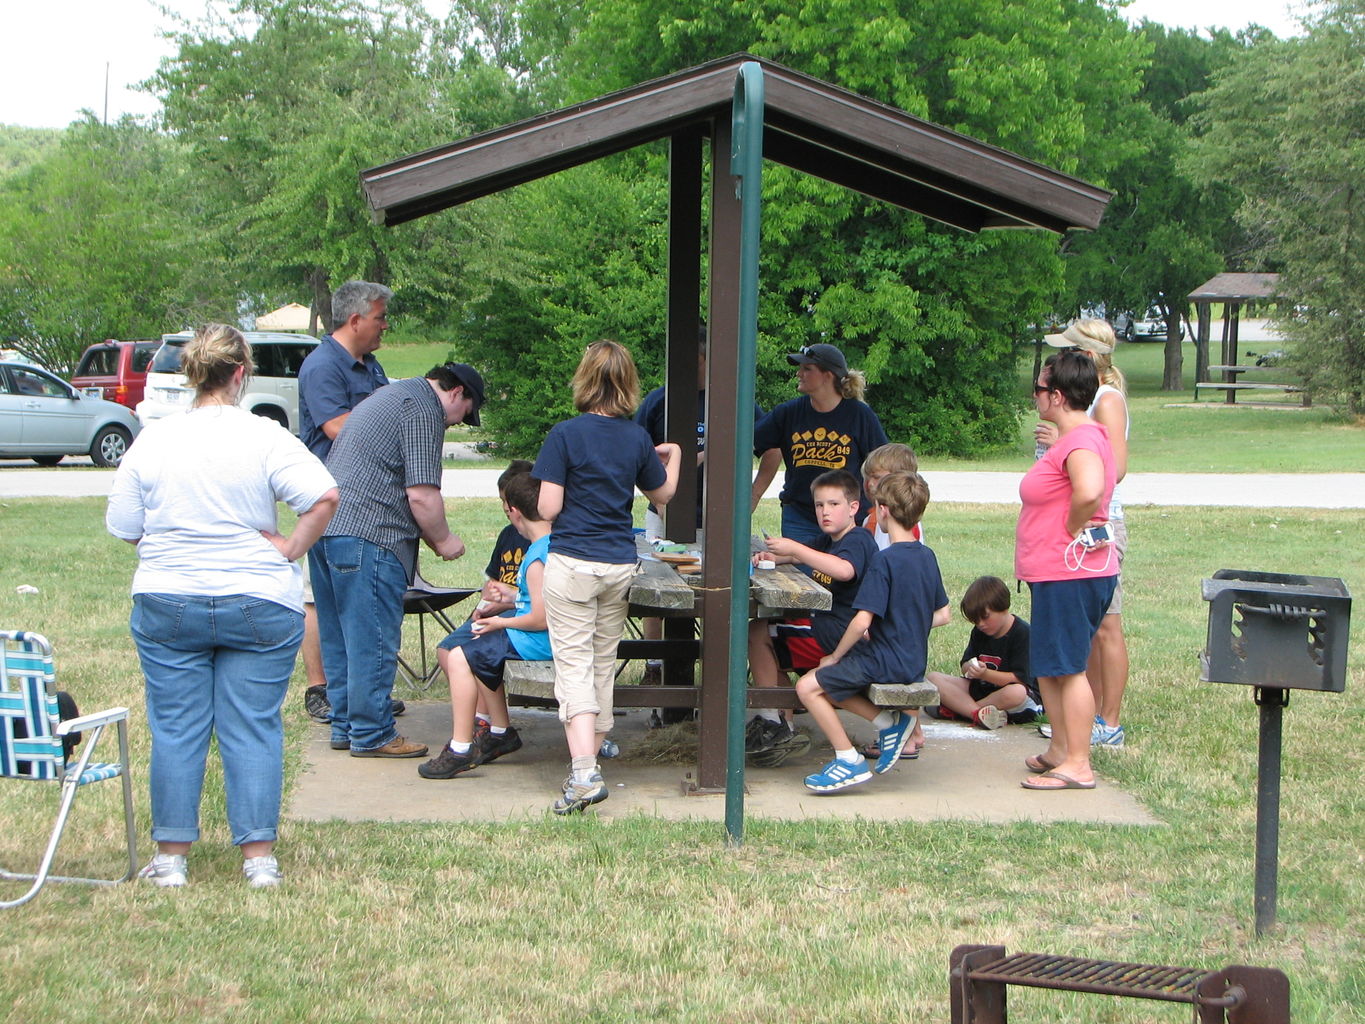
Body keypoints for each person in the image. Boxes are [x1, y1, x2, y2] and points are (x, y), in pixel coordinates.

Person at [106, 324, 339, 888]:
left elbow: (123, 525)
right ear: (241, 373)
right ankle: (258, 860)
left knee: (177, 728)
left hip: (169, 597)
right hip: (257, 597)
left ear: (191, 375)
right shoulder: (265, 435)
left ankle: (171, 860)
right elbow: (324, 495)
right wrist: (289, 547)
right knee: (254, 726)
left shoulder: (154, 439)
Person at [533, 340, 680, 814]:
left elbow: (548, 508)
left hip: (573, 562)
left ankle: (583, 774)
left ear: (585, 378)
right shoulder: (636, 437)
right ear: (627, 384)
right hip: (619, 564)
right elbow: (663, 493)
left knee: (573, 666)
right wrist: (673, 453)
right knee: (601, 662)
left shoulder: (565, 434)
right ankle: (590, 759)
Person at [310, 362, 483, 759]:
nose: (458, 423)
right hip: (369, 535)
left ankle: (345, 725)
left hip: (327, 530)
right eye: (465, 414)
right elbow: (421, 495)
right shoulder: (424, 410)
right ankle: (372, 733)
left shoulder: (391, 395)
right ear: (456, 393)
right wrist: (444, 540)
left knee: (340, 637)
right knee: (372, 638)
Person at [793, 471, 950, 793]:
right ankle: (889, 724)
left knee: (809, 687)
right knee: (835, 680)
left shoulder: (885, 560)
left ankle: (848, 760)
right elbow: (943, 614)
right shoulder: (927, 556)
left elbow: (862, 621)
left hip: (885, 660)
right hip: (912, 661)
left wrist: (834, 656)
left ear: (883, 512)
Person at [1016, 349, 1118, 792]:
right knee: (1052, 665)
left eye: (1038, 389)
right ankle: (1060, 748)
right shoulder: (1075, 437)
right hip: (1059, 573)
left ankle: (1078, 763)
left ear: (1056, 396)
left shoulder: (1080, 441)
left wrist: (1071, 526)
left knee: (1069, 666)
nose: (1034, 397)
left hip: (1069, 574)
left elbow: (1091, 490)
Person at [296, 280, 394, 723]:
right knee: (340, 614)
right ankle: (350, 710)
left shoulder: (370, 366)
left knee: (359, 611)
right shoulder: (321, 367)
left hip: (368, 504)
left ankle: (356, 705)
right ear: (354, 320)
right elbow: (338, 427)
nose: (385, 326)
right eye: (379, 317)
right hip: (333, 506)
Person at [418, 472, 550, 779]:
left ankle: (460, 748)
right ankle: (500, 730)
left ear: (514, 511)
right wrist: (513, 598)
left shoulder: (537, 556)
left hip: (539, 639)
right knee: (479, 648)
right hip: (542, 635)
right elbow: (541, 600)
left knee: (461, 654)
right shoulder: (549, 545)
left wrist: (497, 622)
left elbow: (541, 618)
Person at [1038, 320, 1130, 747]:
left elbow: (1114, 470)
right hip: (1074, 527)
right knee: (1085, 636)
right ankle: (1083, 722)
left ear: (1088, 358)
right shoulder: (1082, 411)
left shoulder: (1107, 400)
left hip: (1093, 527)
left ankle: (1106, 722)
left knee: (1106, 625)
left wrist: (1073, 522)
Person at [746, 469, 878, 759]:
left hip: (841, 636)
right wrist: (775, 556)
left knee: (758, 632)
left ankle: (776, 722)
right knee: (764, 629)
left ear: (854, 507)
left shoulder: (857, 540)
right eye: (819, 505)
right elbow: (798, 555)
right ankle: (782, 721)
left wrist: (796, 549)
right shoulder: (830, 539)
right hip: (826, 629)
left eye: (833, 504)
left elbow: (844, 570)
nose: (825, 512)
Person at [752, 342, 889, 546]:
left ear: (828, 375)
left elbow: (883, 466)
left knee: (845, 575)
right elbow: (745, 444)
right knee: (801, 577)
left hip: (848, 520)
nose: (799, 373)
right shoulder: (788, 413)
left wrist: (876, 510)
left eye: (807, 369)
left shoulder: (859, 415)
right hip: (800, 517)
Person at [926, 575, 1041, 729]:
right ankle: (977, 714)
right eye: (975, 620)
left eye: (986, 617)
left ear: (1003, 607)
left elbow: (1019, 679)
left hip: (1015, 697)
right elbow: (965, 664)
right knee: (933, 678)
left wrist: (985, 674)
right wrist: (970, 668)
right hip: (983, 690)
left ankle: (961, 710)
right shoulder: (979, 631)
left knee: (1016, 692)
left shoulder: (1023, 633)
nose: (981, 624)